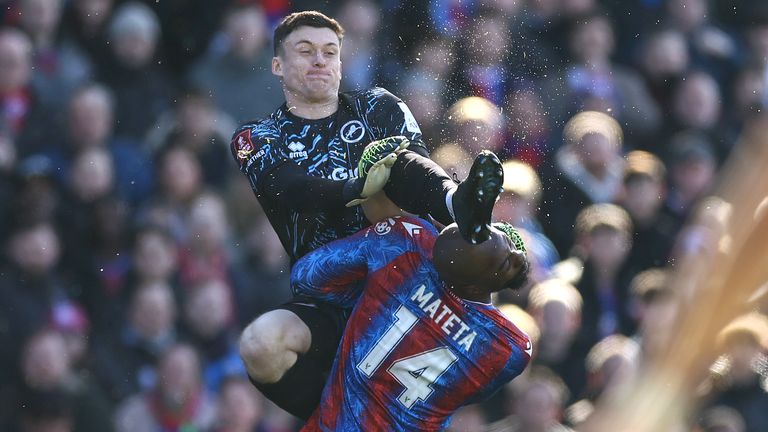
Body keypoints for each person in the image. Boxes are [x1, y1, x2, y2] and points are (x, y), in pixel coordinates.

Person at [234, 11, 505, 419]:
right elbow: (288, 188)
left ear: (342, 63)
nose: (319, 61)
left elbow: (413, 171)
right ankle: (342, 419)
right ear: (278, 65)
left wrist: (392, 188)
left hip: (408, 289)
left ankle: (459, 204)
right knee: (260, 345)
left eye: (330, 52)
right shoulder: (256, 137)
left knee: (395, 162)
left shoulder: (377, 106)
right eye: (304, 52)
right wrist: (353, 189)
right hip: (330, 298)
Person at [285, 212, 532, 430]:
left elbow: (305, 277)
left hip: (332, 422)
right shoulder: (508, 348)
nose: (518, 254)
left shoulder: (406, 244)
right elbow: (470, 394)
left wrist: (370, 298)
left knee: (264, 345)